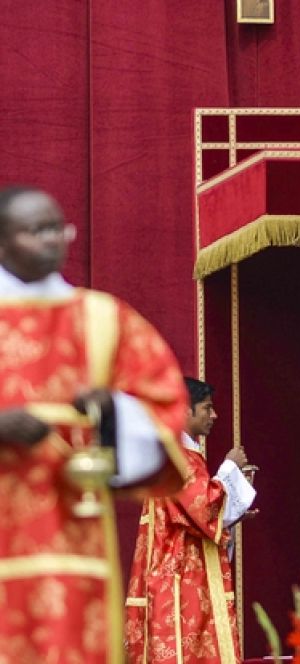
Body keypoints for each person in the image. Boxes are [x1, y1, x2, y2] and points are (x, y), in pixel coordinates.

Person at [0, 186, 188, 663]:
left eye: (57, 228)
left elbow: (163, 402)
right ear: (2, 242)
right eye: (34, 230)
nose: (51, 239)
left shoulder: (103, 318)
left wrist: (114, 409)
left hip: (74, 525)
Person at [125, 377, 257, 663]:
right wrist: (231, 467)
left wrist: (230, 514)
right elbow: (204, 506)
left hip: (185, 566)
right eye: (207, 408)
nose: (214, 415)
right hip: (178, 574)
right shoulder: (175, 455)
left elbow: (195, 516)